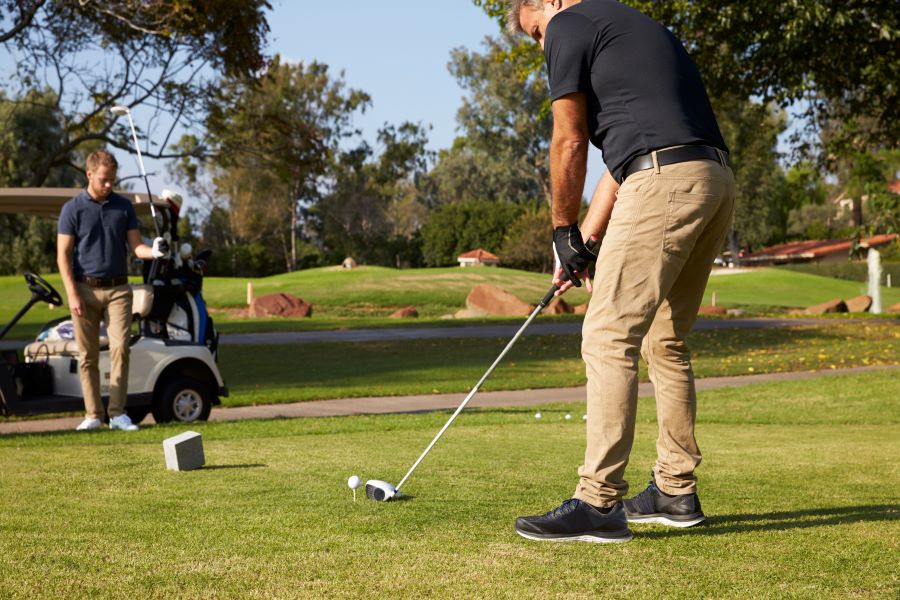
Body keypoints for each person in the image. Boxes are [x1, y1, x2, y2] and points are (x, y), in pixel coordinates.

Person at [508, 0, 736, 543]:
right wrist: (581, 242)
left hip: (663, 181)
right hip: (711, 178)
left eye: (535, 31)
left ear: (552, 5)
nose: (543, 44)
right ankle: (675, 491)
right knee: (666, 339)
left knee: (608, 333)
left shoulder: (569, 24)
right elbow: (624, 160)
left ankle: (598, 501)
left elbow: (569, 140)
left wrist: (560, 228)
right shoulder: (638, 28)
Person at [57, 150, 168, 432]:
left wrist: (153, 251)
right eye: (104, 180)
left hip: (118, 289)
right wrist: (71, 293)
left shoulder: (123, 206)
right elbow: (63, 255)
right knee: (88, 356)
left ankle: (117, 413)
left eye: (112, 180)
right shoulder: (72, 209)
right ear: (89, 174)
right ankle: (94, 415)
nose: (109, 185)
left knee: (120, 348)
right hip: (84, 289)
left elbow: (136, 247)